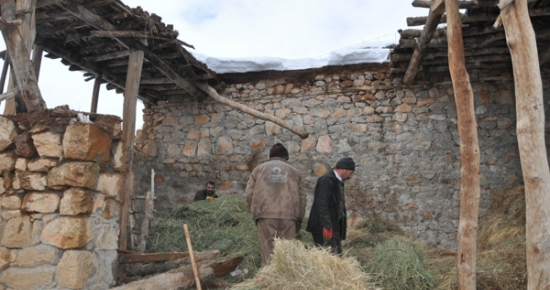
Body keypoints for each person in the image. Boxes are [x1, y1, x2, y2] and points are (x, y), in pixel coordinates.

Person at [246, 143, 306, 265]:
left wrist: (254, 213)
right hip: (288, 217)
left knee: (268, 252)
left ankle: (268, 278)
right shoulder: (295, 172)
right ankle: (285, 279)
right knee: (287, 253)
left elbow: (249, 194)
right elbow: (302, 197)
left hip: (265, 215)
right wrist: (299, 217)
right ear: (285, 157)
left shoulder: (258, 170)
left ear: (271, 156)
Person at [306, 157, 355, 255]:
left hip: (333, 226)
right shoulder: (327, 180)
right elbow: (321, 203)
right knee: (328, 257)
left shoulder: (337, 181)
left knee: (337, 256)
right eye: (350, 173)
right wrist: (327, 226)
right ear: (344, 169)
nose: (350, 176)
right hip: (323, 227)